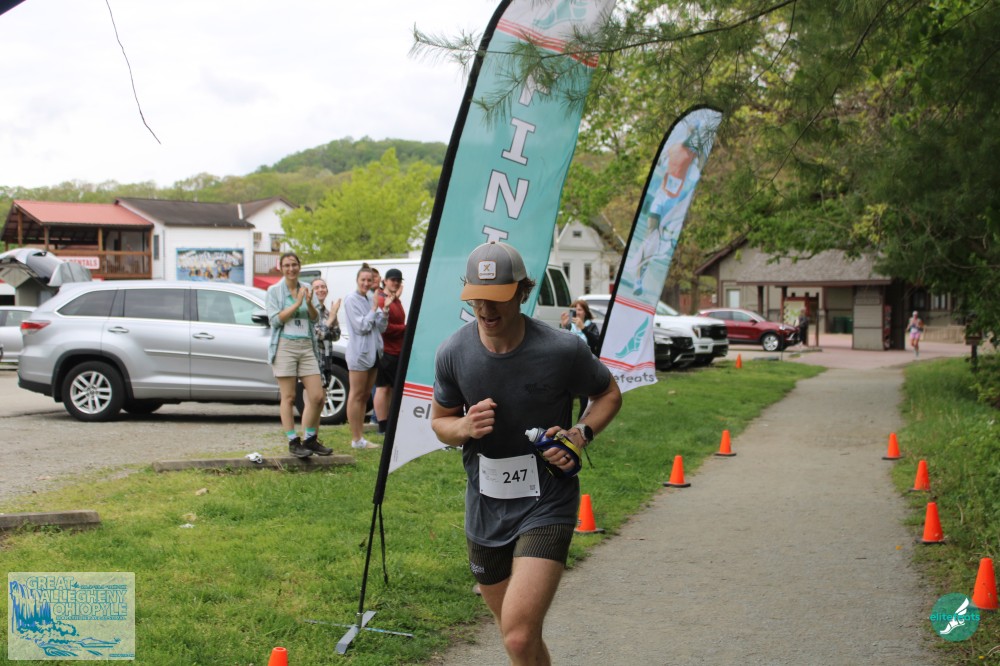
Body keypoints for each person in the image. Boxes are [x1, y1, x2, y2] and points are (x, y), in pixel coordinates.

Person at [431, 241, 623, 666]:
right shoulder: (453, 353)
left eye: (497, 297)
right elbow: (441, 421)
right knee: (520, 637)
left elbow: (608, 393)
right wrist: (464, 427)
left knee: (518, 637)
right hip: (485, 506)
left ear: (522, 292)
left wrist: (579, 434)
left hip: (547, 501)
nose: (485, 310)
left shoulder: (562, 350)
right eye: (476, 299)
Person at [265, 252, 331, 458]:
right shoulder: (274, 291)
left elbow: (314, 318)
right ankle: (293, 441)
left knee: (318, 397)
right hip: (285, 346)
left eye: (294, 264)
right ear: (281, 268)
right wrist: (297, 303)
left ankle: (310, 438)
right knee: (289, 397)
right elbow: (275, 320)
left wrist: (308, 302)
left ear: (299, 266)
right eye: (286, 265)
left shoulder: (307, 287)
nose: (291, 269)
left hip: (306, 346)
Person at [344, 264, 388, 450]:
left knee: (364, 396)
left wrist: (384, 311)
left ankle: (360, 437)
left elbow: (381, 326)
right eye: (363, 279)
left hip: (374, 352)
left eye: (369, 280)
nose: (366, 283)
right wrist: (374, 310)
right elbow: (361, 326)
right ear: (357, 280)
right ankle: (356, 439)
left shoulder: (371, 297)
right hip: (359, 354)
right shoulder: (351, 299)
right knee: (356, 395)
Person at [374, 268, 406, 435]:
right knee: (382, 388)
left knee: (392, 389)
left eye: (398, 280)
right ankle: (382, 425)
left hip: (397, 350)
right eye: (393, 280)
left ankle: (390, 423)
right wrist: (405, 329)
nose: (396, 283)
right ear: (385, 281)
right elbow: (383, 328)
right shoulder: (382, 300)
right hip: (385, 351)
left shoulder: (395, 300)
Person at [311, 277, 342, 384]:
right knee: (312, 393)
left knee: (323, 393)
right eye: (316, 288)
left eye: (323, 287)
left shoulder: (328, 312)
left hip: (326, 360)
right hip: (313, 361)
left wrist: (334, 317)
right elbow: (317, 335)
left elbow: (336, 336)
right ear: (311, 292)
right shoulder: (309, 311)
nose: (320, 290)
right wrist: (330, 319)